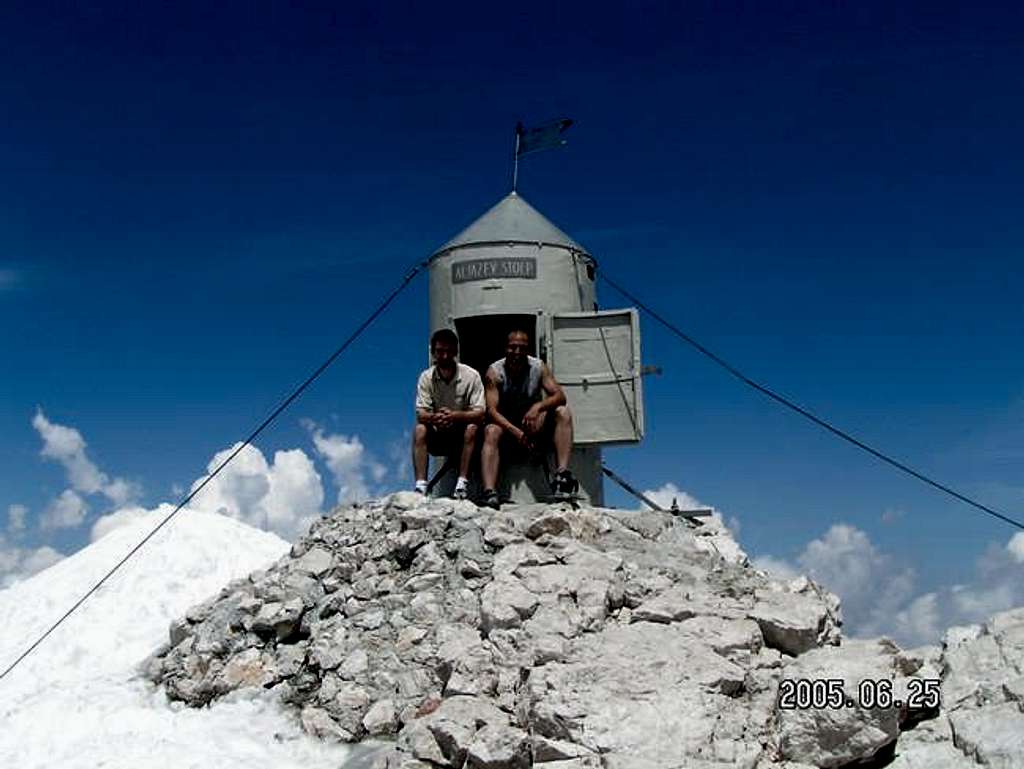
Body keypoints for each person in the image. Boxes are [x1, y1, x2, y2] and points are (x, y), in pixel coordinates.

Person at [480, 328, 578, 509]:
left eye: (522, 348)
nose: (517, 352)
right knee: (491, 430)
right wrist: (515, 431)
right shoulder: (494, 372)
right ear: (505, 348)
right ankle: (489, 491)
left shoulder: (538, 367)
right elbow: (491, 411)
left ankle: (562, 475)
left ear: (528, 350)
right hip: (507, 428)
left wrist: (538, 407)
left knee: (563, 412)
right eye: (512, 347)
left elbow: (560, 396)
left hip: (532, 424)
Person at [412, 329, 485, 499]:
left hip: (464, 435)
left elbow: (480, 413)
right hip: (440, 433)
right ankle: (421, 485)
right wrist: (436, 418)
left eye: (448, 351)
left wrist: (454, 416)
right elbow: (421, 414)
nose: (444, 356)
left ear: (455, 352)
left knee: (473, 428)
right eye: (439, 352)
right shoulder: (426, 377)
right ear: (433, 353)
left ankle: (462, 483)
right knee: (420, 430)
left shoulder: (471, 375)